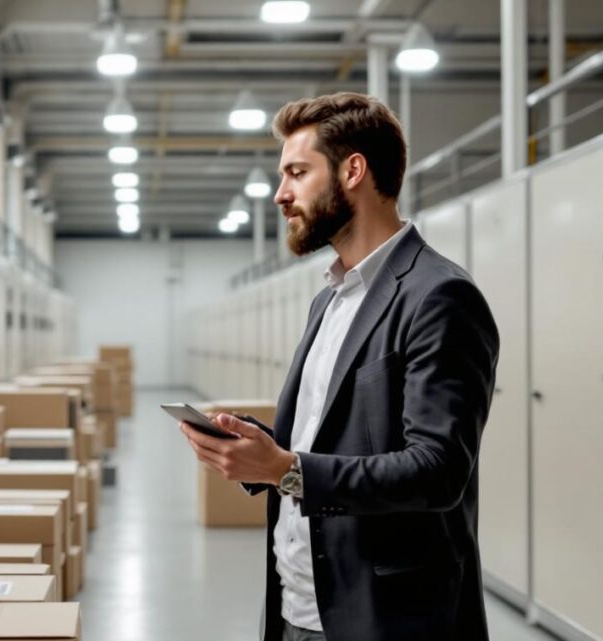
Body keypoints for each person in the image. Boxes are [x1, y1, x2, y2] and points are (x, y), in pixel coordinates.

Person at [179, 92, 499, 641]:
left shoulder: (438, 295)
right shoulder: (329, 297)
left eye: (297, 173)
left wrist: (285, 469)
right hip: (298, 601)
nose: (281, 194)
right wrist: (258, 449)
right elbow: (328, 436)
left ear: (354, 171)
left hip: (382, 615)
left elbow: (438, 470)